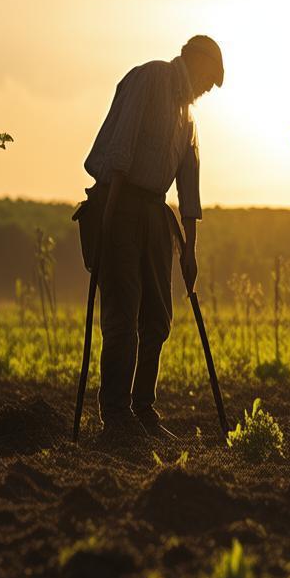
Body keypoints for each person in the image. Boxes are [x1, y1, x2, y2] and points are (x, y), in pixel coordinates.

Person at [83, 35, 223, 447]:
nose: (209, 88)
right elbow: (121, 148)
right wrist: (109, 216)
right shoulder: (152, 78)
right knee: (122, 314)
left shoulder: (189, 119)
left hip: (155, 214)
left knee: (158, 317)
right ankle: (116, 414)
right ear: (194, 60)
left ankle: (143, 410)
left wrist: (190, 250)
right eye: (209, 77)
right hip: (121, 203)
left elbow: (189, 187)